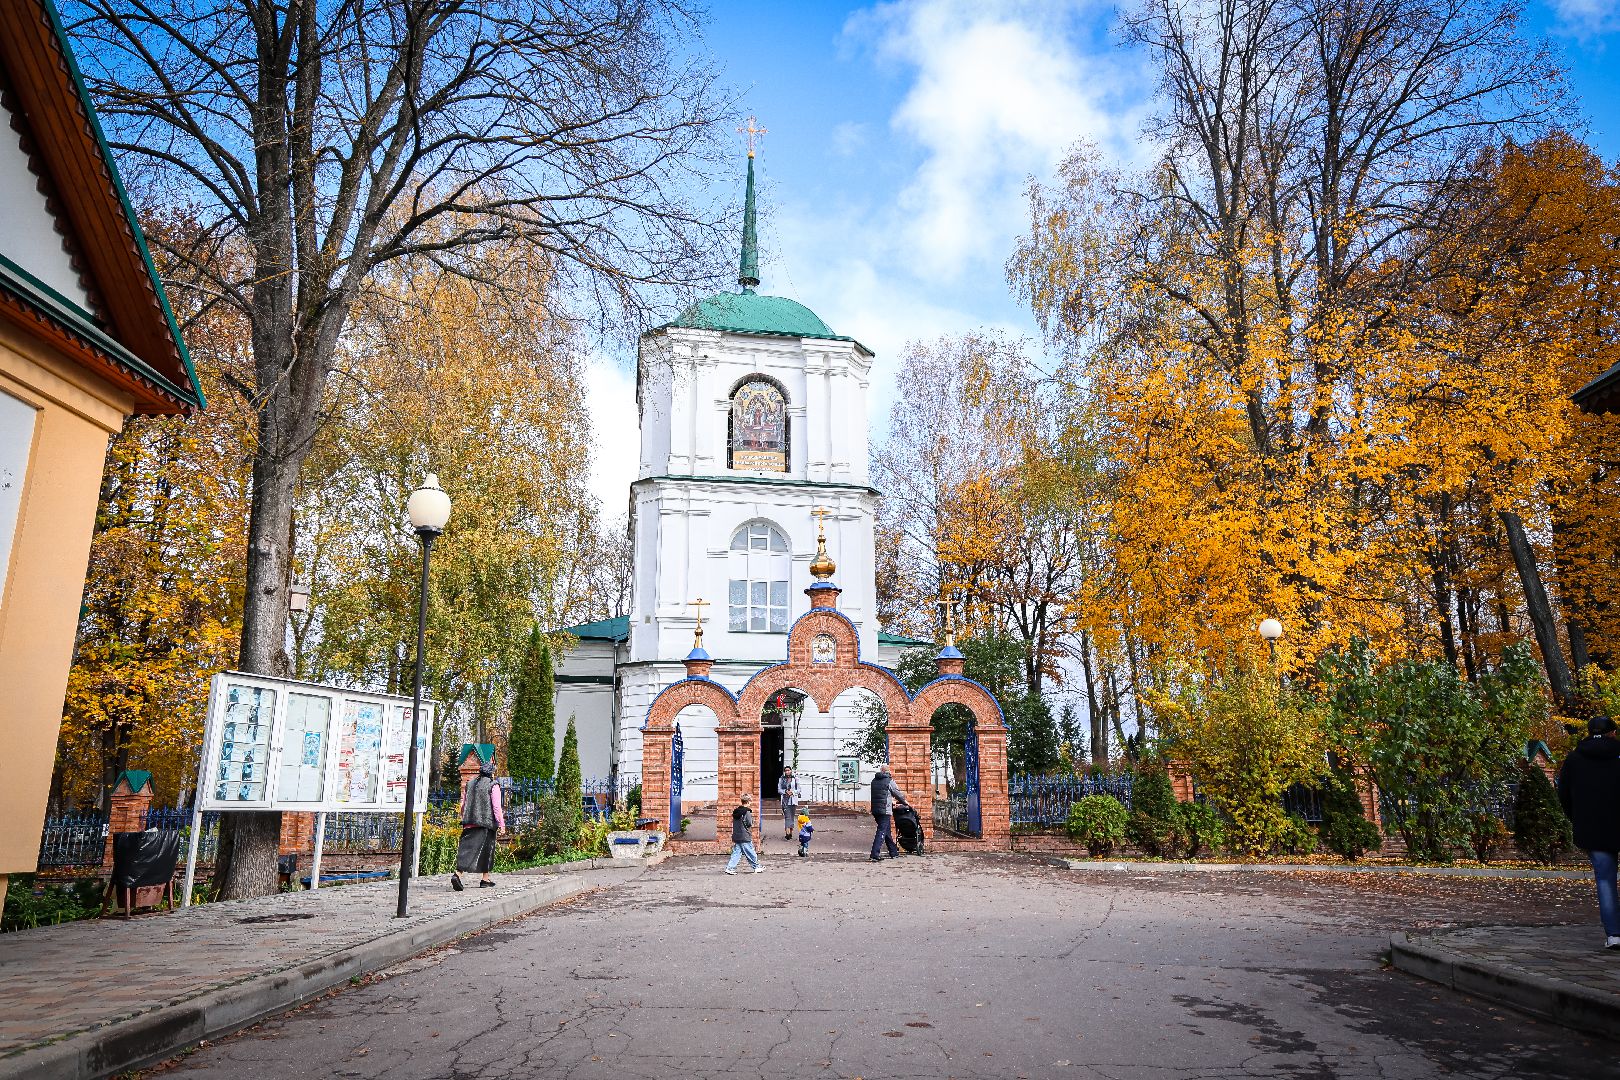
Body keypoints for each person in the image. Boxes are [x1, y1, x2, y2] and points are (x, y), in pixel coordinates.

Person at [1558, 714, 1620, 949]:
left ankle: (1614, 934)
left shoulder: (1574, 759)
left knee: (1605, 881)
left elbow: (1563, 794)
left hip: (1593, 827)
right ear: (1612, 733)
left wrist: (1578, 818)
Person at [452, 758, 505, 892]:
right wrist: (501, 824)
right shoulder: (493, 785)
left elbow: (463, 804)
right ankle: (470, 877)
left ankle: (477, 878)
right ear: (492, 772)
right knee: (487, 850)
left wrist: (464, 816)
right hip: (486, 823)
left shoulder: (470, 784)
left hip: (469, 821)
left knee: (467, 850)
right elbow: (496, 807)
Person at [869, 763, 909, 863]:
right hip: (885, 810)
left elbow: (882, 795)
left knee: (886, 831)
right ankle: (874, 854)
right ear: (888, 771)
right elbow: (897, 793)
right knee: (881, 831)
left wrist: (891, 801)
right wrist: (905, 802)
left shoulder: (874, 781)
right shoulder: (889, 781)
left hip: (876, 810)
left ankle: (893, 852)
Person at [725, 792, 763, 875]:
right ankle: (756, 867)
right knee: (750, 852)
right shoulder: (747, 812)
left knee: (736, 852)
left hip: (737, 835)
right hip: (744, 835)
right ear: (748, 801)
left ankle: (730, 868)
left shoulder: (736, 812)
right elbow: (749, 823)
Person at [778, 766, 802, 839]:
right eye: (786, 770)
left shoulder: (795, 779)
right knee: (787, 816)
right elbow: (779, 789)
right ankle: (787, 833)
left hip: (793, 800)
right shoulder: (781, 779)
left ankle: (791, 832)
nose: (787, 772)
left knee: (791, 816)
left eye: (788, 770)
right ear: (784, 772)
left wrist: (793, 792)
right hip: (785, 801)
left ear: (791, 771)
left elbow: (799, 789)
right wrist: (785, 791)